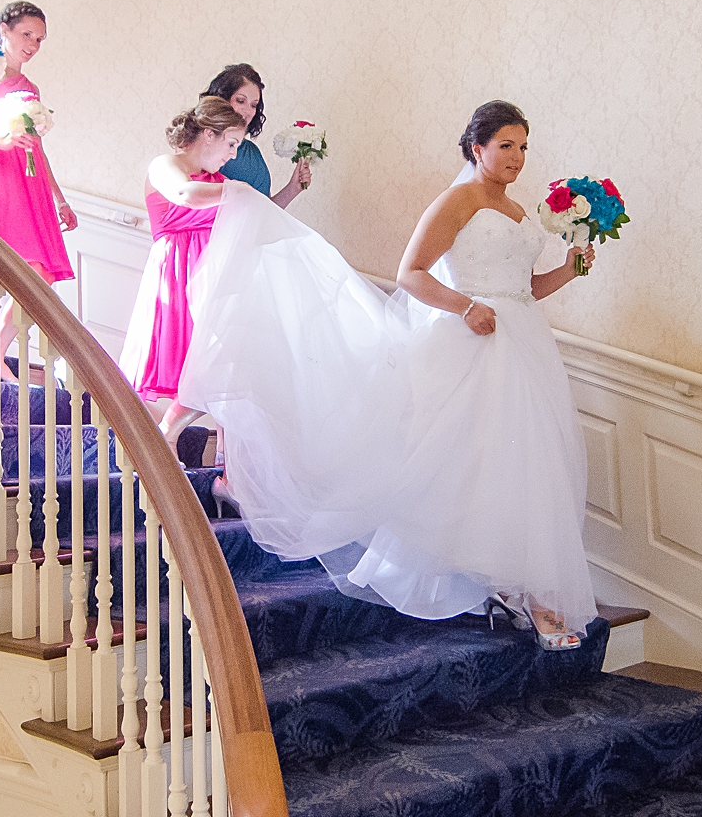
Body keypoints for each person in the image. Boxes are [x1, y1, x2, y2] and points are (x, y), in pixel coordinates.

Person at [177, 101, 600, 649]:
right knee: (473, 462)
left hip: (524, 344)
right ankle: (516, 591)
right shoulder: (458, 201)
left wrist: (570, 269)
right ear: (478, 148)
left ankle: (523, 588)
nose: (517, 157)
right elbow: (412, 274)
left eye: (523, 147)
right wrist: (464, 306)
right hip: (472, 342)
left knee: (529, 461)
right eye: (506, 146)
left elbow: (526, 289)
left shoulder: (517, 210)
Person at [117, 96, 246, 438]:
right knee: (206, 360)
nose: (232, 154)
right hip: (177, 272)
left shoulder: (215, 178)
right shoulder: (165, 164)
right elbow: (185, 194)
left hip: (209, 276)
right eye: (231, 143)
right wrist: (236, 192)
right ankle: (168, 435)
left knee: (223, 363)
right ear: (208, 135)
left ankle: (194, 442)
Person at [0, 1, 75, 376]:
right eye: (27, 34)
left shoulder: (30, 87)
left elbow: (38, 148)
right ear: (5, 31)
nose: (33, 44)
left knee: (39, 273)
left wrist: (59, 199)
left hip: (28, 183)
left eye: (40, 39)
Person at [204, 64, 312, 209]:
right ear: (222, 99)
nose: (247, 111)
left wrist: (293, 188)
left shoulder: (252, 152)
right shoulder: (205, 148)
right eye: (241, 101)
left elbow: (264, 212)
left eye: (253, 105)